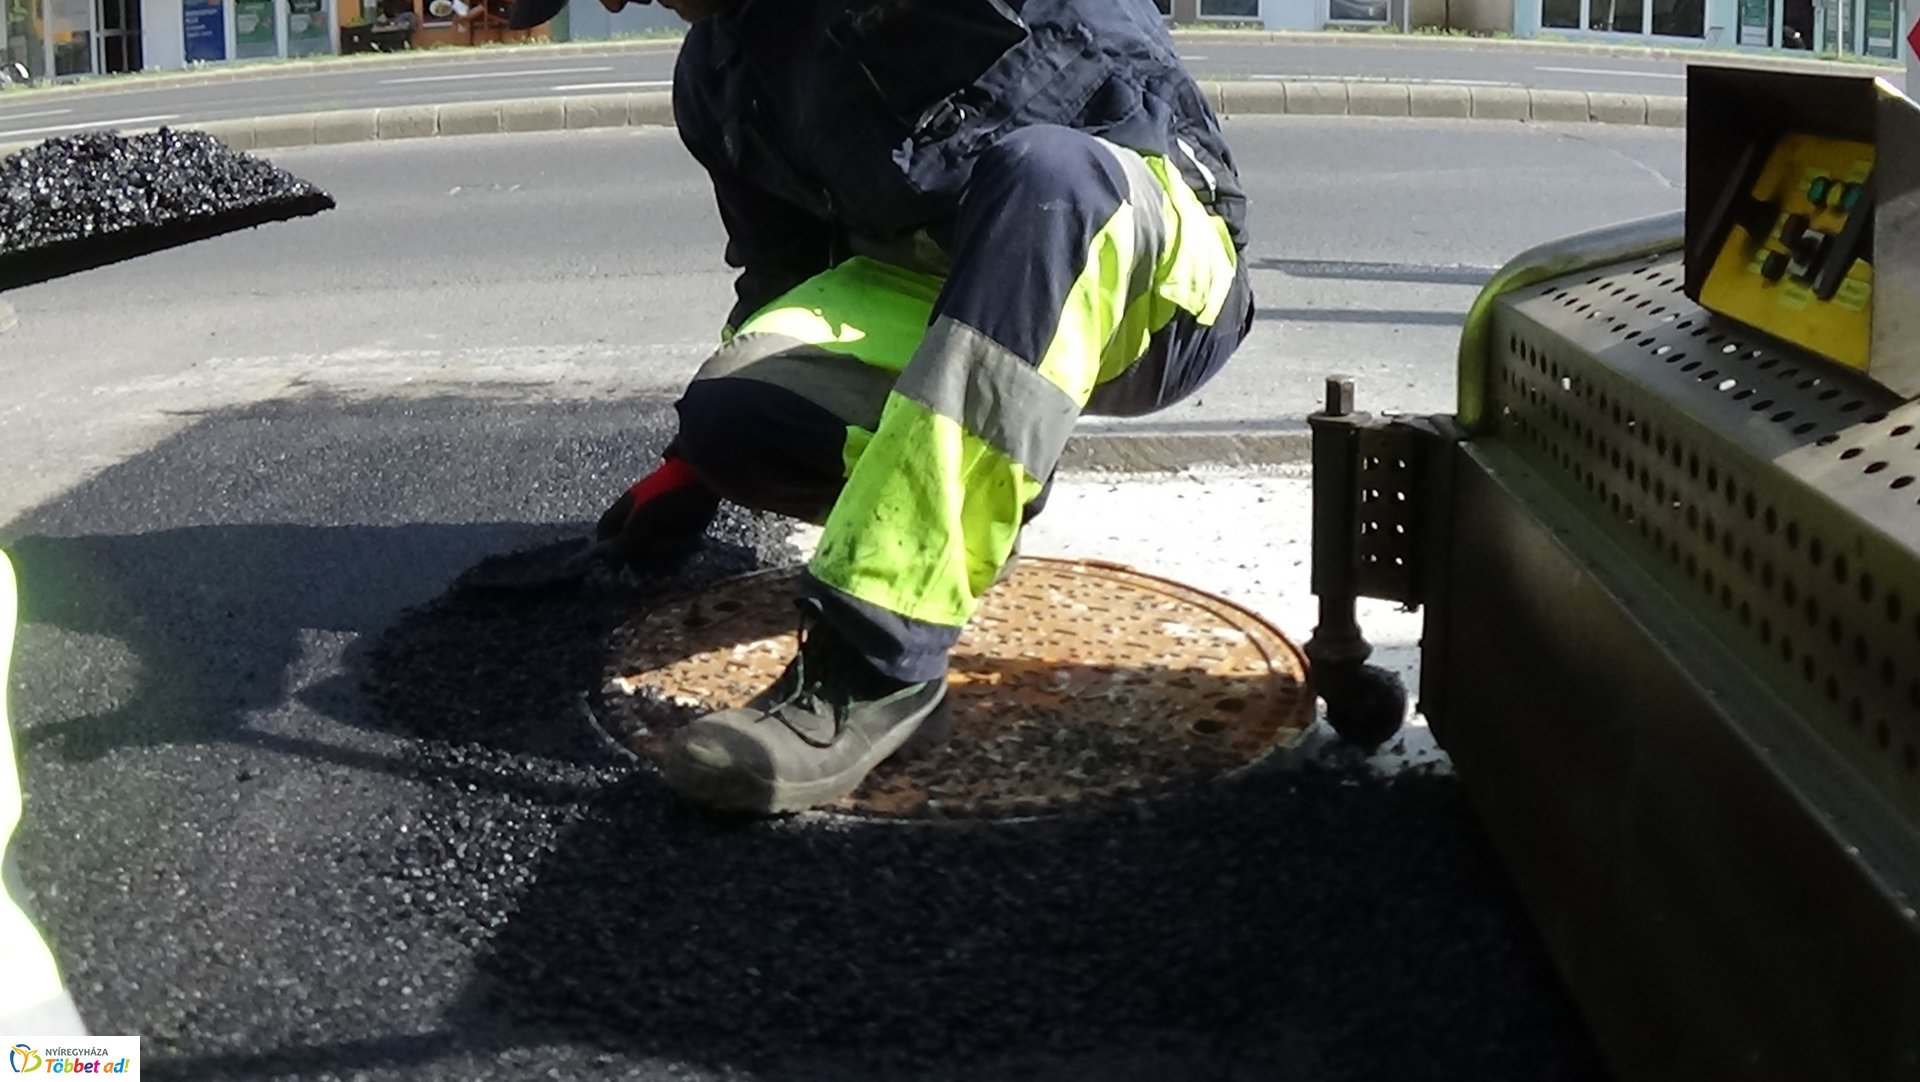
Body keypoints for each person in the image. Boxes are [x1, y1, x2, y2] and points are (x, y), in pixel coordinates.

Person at [508, 0, 1255, 815]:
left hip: (1140, 237)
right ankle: (975, 489)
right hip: (928, 279)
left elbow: (1063, 174)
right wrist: (690, 470)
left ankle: (873, 667)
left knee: (1047, 179)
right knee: (736, 422)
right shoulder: (718, 74)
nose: (618, 3)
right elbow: (783, 277)